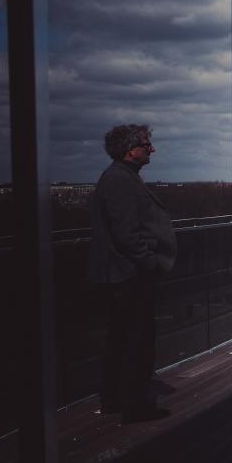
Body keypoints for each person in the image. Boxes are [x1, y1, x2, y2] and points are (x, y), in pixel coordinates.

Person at [88, 124, 176, 424]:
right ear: (130, 150)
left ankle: (114, 399)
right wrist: (150, 262)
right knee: (136, 341)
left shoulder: (118, 177)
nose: (152, 149)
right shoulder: (120, 180)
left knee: (120, 338)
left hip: (121, 274)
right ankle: (135, 405)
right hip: (129, 275)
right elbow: (126, 234)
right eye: (146, 144)